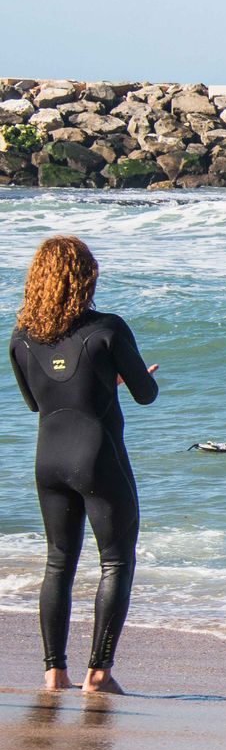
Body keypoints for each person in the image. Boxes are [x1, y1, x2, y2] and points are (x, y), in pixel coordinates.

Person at [8, 236, 158, 694]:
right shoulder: (108, 328)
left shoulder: (20, 338)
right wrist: (110, 380)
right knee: (116, 562)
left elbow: (37, 401)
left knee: (58, 564)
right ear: (85, 277)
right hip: (97, 455)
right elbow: (145, 394)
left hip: (47, 459)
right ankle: (99, 673)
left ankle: (54, 673)